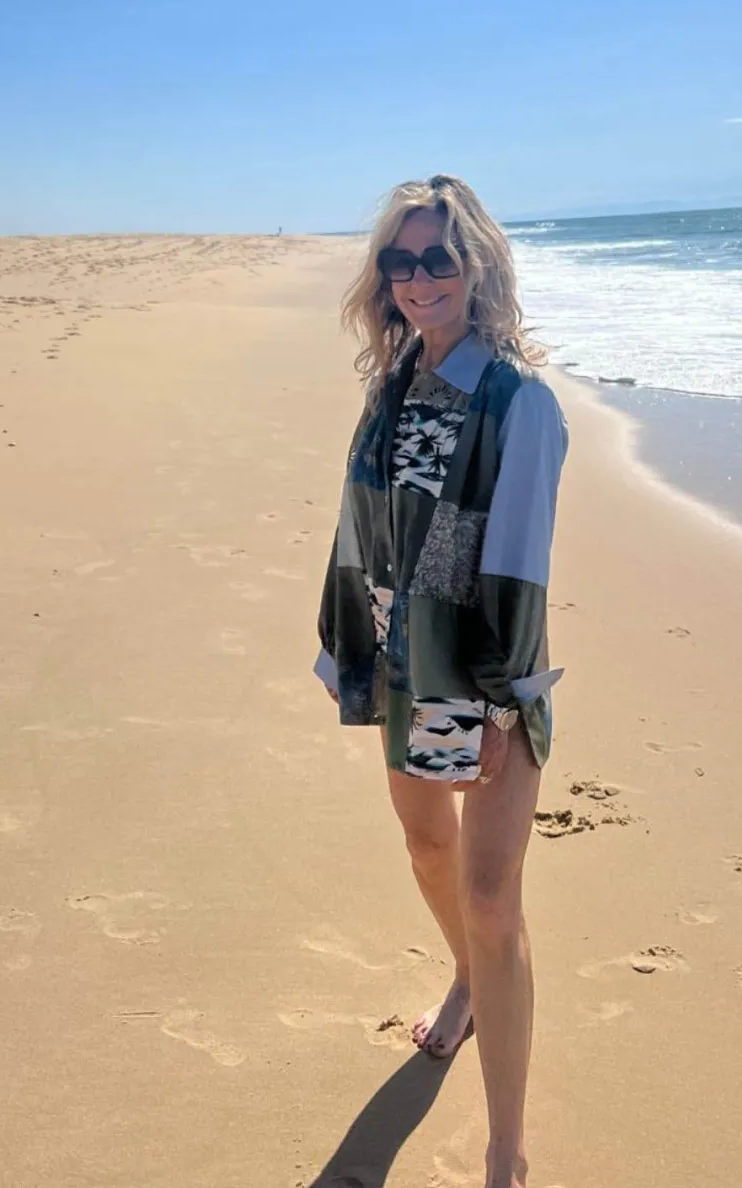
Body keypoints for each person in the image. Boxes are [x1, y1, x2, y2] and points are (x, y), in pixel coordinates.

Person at [314, 175, 568, 1188]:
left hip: (486, 670)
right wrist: (350, 648)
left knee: (492, 896)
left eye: (438, 259)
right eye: (401, 261)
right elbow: (363, 529)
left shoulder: (519, 400)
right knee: (428, 849)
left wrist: (501, 704)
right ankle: (463, 980)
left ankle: (505, 1151)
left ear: (477, 267)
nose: (419, 280)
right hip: (402, 660)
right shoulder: (390, 388)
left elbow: (521, 562)